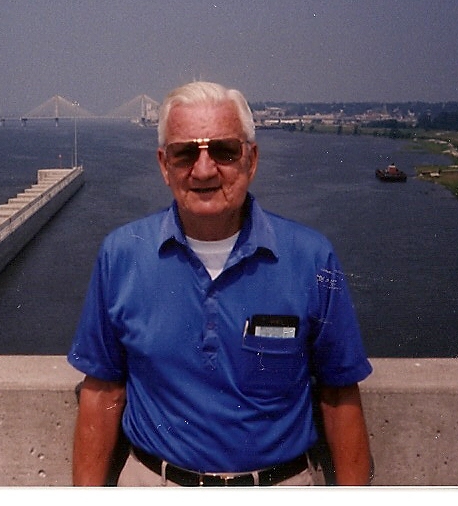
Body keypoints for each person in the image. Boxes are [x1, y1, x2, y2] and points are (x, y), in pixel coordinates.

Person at [68, 81, 373, 486]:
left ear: (252, 159)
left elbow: (339, 395)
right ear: (164, 164)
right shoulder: (122, 256)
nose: (205, 169)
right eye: (185, 153)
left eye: (225, 151)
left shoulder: (311, 259)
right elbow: (103, 393)